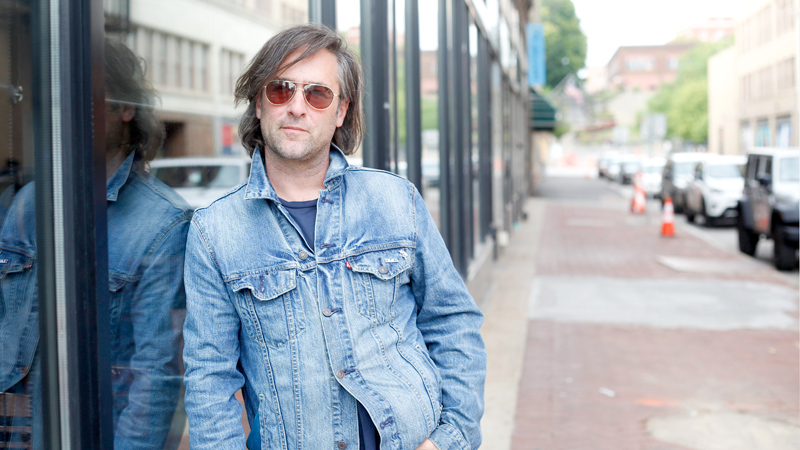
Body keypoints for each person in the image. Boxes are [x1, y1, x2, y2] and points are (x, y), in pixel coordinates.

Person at [182, 23, 486, 450]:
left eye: (317, 94)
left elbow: (453, 321)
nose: (297, 107)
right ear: (258, 103)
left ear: (341, 111)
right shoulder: (215, 232)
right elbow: (209, 379)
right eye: (281, 89)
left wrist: (450, 437)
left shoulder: (396, 200)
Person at [0, 38, 191, 450]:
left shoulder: (163, 223)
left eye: (85, 92)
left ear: (126, 109)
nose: (67, 106)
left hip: (86, 432)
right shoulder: (28, 202)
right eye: (58, 94)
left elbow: (155, 374)